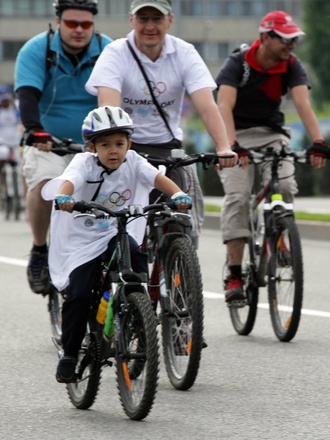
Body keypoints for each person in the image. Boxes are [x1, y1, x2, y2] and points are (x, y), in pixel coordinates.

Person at [41, 105, 193, 383]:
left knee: (135, 260)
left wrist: (179, 193)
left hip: (116, 229)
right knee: (79, 295)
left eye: (120, 144)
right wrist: (64, 198)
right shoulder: (83, 163)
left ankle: (136, 312)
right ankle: (70, 354)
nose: (114, 151)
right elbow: (69, 182)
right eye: (105, 144)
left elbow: (157, 178)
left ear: (129, 144)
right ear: (91, 147)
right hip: (82, 239)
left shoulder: (134, 161)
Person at [85, 0, 237, 248]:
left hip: (167, 149)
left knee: (181, 215)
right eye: (143, 18)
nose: (150, 26)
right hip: (125, 148)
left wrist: (223, 147)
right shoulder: (116, 53)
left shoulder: (184, 52)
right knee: (117, 222)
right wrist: (114, 148)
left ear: (170, 20)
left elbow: (207, 105)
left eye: (157, 18)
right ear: (131, 20)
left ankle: (177, 274)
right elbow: (109, 108)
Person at [215, 10, 329, 305]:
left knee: (287, 187)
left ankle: (278, 237)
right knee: (239, 197)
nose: (292, 45)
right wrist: (230, 145)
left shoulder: (291, 64)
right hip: (235, 135)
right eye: (285, 39)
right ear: (265, 37)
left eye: (294, 39)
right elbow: (223, 106)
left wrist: (318, 142)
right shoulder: (237, 63)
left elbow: (303, 103)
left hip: (272, 134)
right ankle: (236, 274)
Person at [14, 0, 112, 294]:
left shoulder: (108, 49)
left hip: (96, 142)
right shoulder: (36, 49)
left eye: (85, 24)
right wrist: (34, 130)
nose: (79, 30)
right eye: (72, 24)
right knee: (46, 185)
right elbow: (27, 95)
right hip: (48, 142)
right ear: (58, 22)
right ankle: (41, 249)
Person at [0, 85, 21, 170]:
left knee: (19, 168)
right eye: (3, 100)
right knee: (3, 155)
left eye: (7, 99)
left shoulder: (16, 107)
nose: (5, 102)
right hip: (2, 143)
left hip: (16, 143)